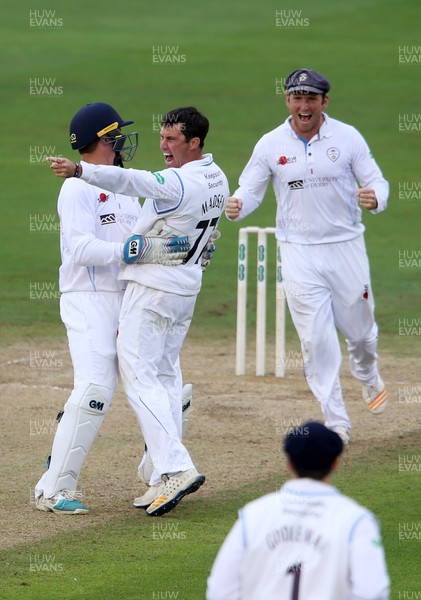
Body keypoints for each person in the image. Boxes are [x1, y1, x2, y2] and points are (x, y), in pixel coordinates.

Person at [47, 106, 230, 516]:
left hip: (135, 293)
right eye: (114, 136)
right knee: (98, 389)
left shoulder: (133, 186)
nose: (124, 143)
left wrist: (188, 249)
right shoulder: (77, 188)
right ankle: (54, 487)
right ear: (97, 140)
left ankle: (161, 474)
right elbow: (81, 250)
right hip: (90, 296)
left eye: (170, 138)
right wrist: (132, 251)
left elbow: (158, 232)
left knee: (160, 381)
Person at [226, 68, 389, 444]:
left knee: (361, 334)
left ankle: (368, 376)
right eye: (297, 98)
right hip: (297, 250)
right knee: (315, 340)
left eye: (311, 98)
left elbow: (376, 180)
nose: (304, 105)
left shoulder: (347, 137)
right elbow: (249, 190)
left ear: (324, 102)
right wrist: (238, 205)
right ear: (287, 101)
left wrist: (375, 197)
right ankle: (336, 422)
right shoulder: (270, 143)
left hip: (345, 246)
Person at [207, 420, 390, 599]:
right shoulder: (357, 521)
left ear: (289, 463)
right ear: (335, 464)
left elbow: (219, 592)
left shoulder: (252, 516)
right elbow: (372, 592)